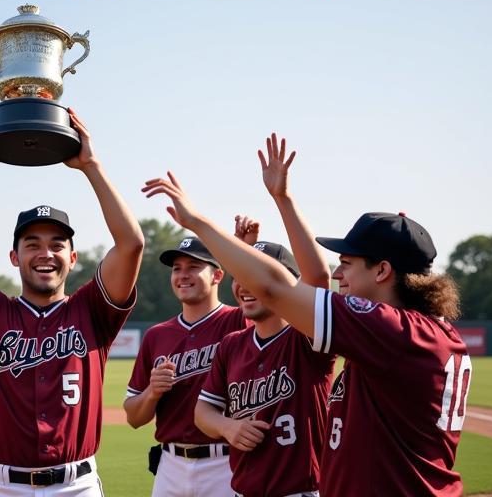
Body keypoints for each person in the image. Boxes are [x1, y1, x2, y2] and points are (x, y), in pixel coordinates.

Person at [144, 139, 470, 497]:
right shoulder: (415, 330)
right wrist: (282, 199)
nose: (339, 275)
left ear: (382, 271)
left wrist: (196, 221)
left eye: (347, 264)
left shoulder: (392, 330)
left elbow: (276, 286)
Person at [0, 108, 144, 495]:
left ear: (73, 258)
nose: (46, 253)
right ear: (14, 258)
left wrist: (91, 166)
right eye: (32, 244)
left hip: (76, 485)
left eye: (57, 244)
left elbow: (131, 244)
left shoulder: (92, 309)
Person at [194, 136, 336, 497]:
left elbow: (318, 279)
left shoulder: (308, 339)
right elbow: (203, 414)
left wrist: (282, 199)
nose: (245, 287)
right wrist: (228, 427)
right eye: (240, 279)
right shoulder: (232, 345)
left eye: (260, 281)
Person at [124, 235, 246, 497]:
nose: (182, 275)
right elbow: (134, 417)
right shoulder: (157, 335)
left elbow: (264, 292)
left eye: (193, 266)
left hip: (225, 462)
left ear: (217, 276)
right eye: (177, 268)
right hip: (170, 465)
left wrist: (243, 254)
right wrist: (152, 393)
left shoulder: (239, 321)